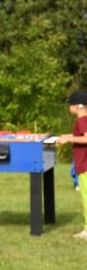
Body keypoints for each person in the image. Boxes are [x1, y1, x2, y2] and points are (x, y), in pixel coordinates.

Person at [55, 90, 87, 240]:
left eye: (70, 104)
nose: (69, 107)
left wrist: (68, 138)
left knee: (86, 199)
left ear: (78, 106)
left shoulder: (82, 120)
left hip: (85, 166)